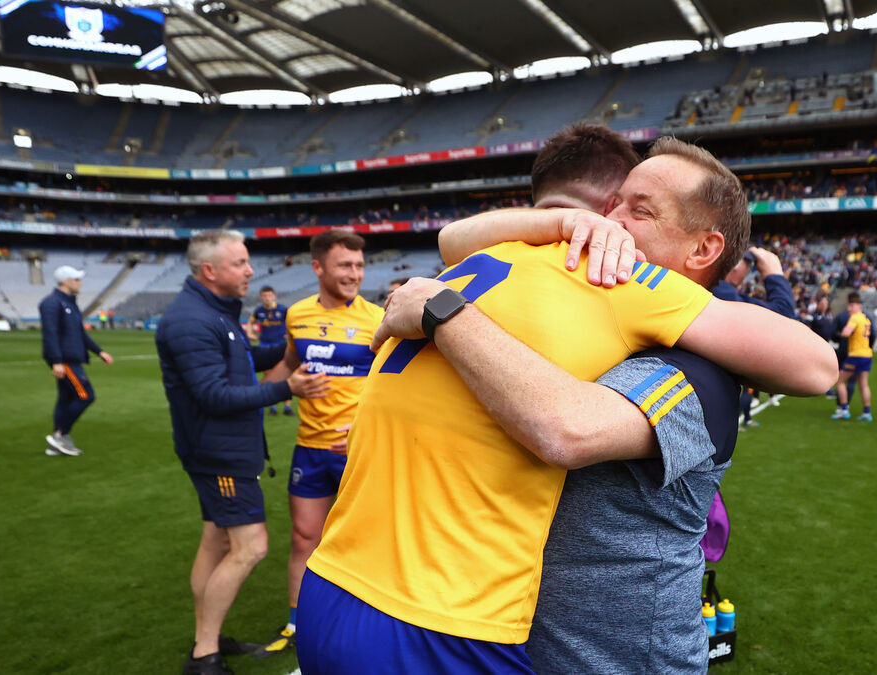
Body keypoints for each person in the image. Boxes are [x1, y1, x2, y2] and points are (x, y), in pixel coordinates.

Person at [295, 135, 838, 673]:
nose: (610, 221)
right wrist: (560, 224)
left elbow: (564, 427)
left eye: (640, 212)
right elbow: (453, 240)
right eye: (613, 204)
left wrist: (443, 312)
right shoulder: (582, 280)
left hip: (605, 656)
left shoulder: (666, 326)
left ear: (702, 250)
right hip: (453, 618)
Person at [155, 231, 327, 675]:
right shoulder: (192, 320)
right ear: (209, 271)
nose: (251, 271)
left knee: (215, 541)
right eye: (240, 263)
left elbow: (242, 358)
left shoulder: (212, 311)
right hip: (220, 455)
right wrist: (288, 388)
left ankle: (207, 638)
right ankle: (204, 656)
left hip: (219, 449)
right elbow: (214, 395)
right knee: (251, 547)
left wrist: (293, 347)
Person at [256, 230, 384, 657]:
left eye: (359, 266)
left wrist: (366, 428)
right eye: (345, 265)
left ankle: (368, 621)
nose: (355, 274)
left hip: (358, 450)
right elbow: (290, 362)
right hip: (309, 448)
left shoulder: (377, 319)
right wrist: (254, 397)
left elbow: (395, 386)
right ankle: (297, 621)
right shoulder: (297, 314)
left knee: (366, 540)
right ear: (318, 267)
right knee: (303, 537)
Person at [713, 247, 795, 428]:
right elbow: (784, 317)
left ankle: (747, 418)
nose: (749, 272)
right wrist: (774, 274)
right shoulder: (724, 294)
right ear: (734, 269)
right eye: (748, 266)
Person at [39, 265, 112, 457]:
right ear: (66, 281)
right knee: (85, 395)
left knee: (65, 399)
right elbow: (50, 333)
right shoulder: (51, 303)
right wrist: (56, 361)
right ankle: (60, 435)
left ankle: (58, 441)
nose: (80, 283)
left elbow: (80, 334)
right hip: (65, 360)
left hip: (72, 359)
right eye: (77, 279)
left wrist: (99, 351)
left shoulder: (70, 304)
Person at [246, 286, 291, 416]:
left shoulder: (282, 310)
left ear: (274, 296)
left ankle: (287, 407)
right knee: (269, 375)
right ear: (261, 297)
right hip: (265, 345)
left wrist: (290, 334)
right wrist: (249, 333)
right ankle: (273, 406)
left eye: (269, 295)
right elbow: (250, 322)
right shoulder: (259, 311)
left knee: (285, 374)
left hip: (280, 345)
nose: (267, 298)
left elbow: (292, 322)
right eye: (264, 296)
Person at [832, 292, 874, 421]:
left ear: (856, 306)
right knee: (863, 384)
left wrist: (843, 333)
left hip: (856, 355)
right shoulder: (866, 319)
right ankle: (867, 412)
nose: (849, 309)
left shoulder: (855, 318)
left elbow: (846, 332)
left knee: (840, 381)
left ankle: (844, 410)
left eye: (851, 306)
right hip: (867, 354)